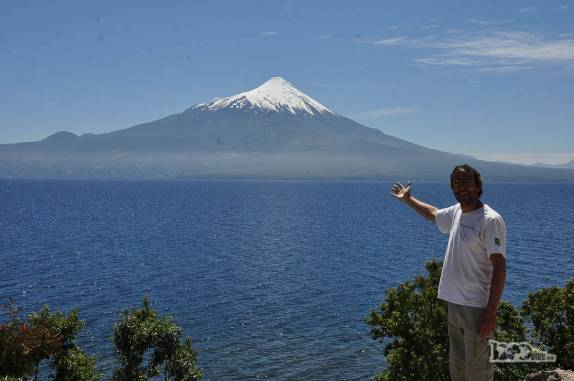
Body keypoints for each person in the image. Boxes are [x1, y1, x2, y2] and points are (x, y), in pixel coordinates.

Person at [390, 164, 506, 381]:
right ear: (452, 187)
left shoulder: (490, 220)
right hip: (454, 304)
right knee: (458, 367)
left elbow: (499, 265)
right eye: (457, 182)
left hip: (477, 307)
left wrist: (491, 311)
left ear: (479, 187)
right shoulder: (456, 213)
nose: (462, 187)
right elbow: (434, 214)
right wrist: (408, 199)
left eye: (467, 182)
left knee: (479, 370)